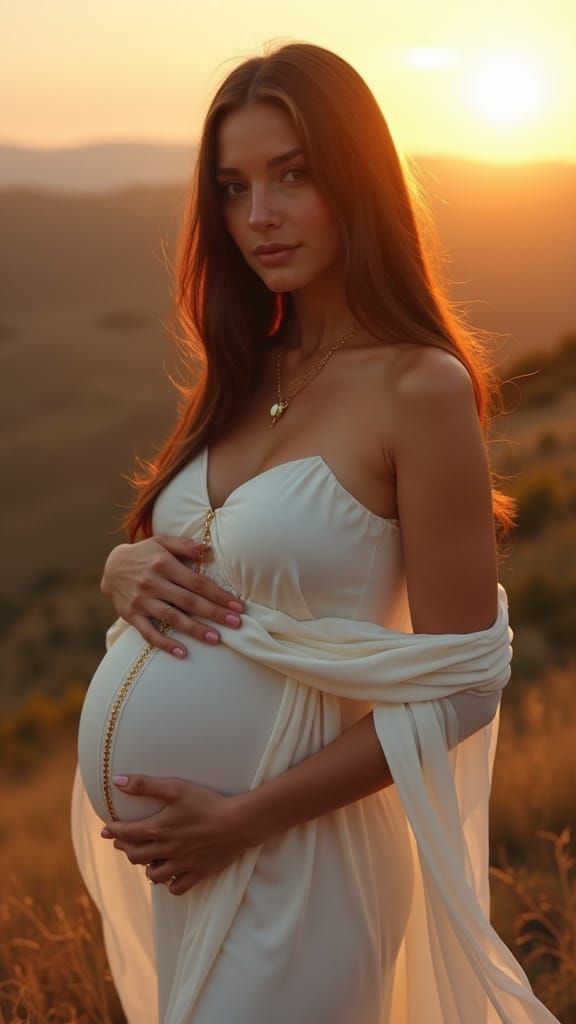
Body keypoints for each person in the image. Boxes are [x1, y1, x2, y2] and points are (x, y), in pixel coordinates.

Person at [70, 41, 560, 1024]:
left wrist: (244, 817)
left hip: (301, 861)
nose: (260, 215)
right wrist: (123, 566)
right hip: (196, 866)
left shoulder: (420, 387)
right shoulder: (254, 366)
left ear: (358, 180)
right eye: (234, 185)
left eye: (293, 175)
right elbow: (201, 553)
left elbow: (463, 679)